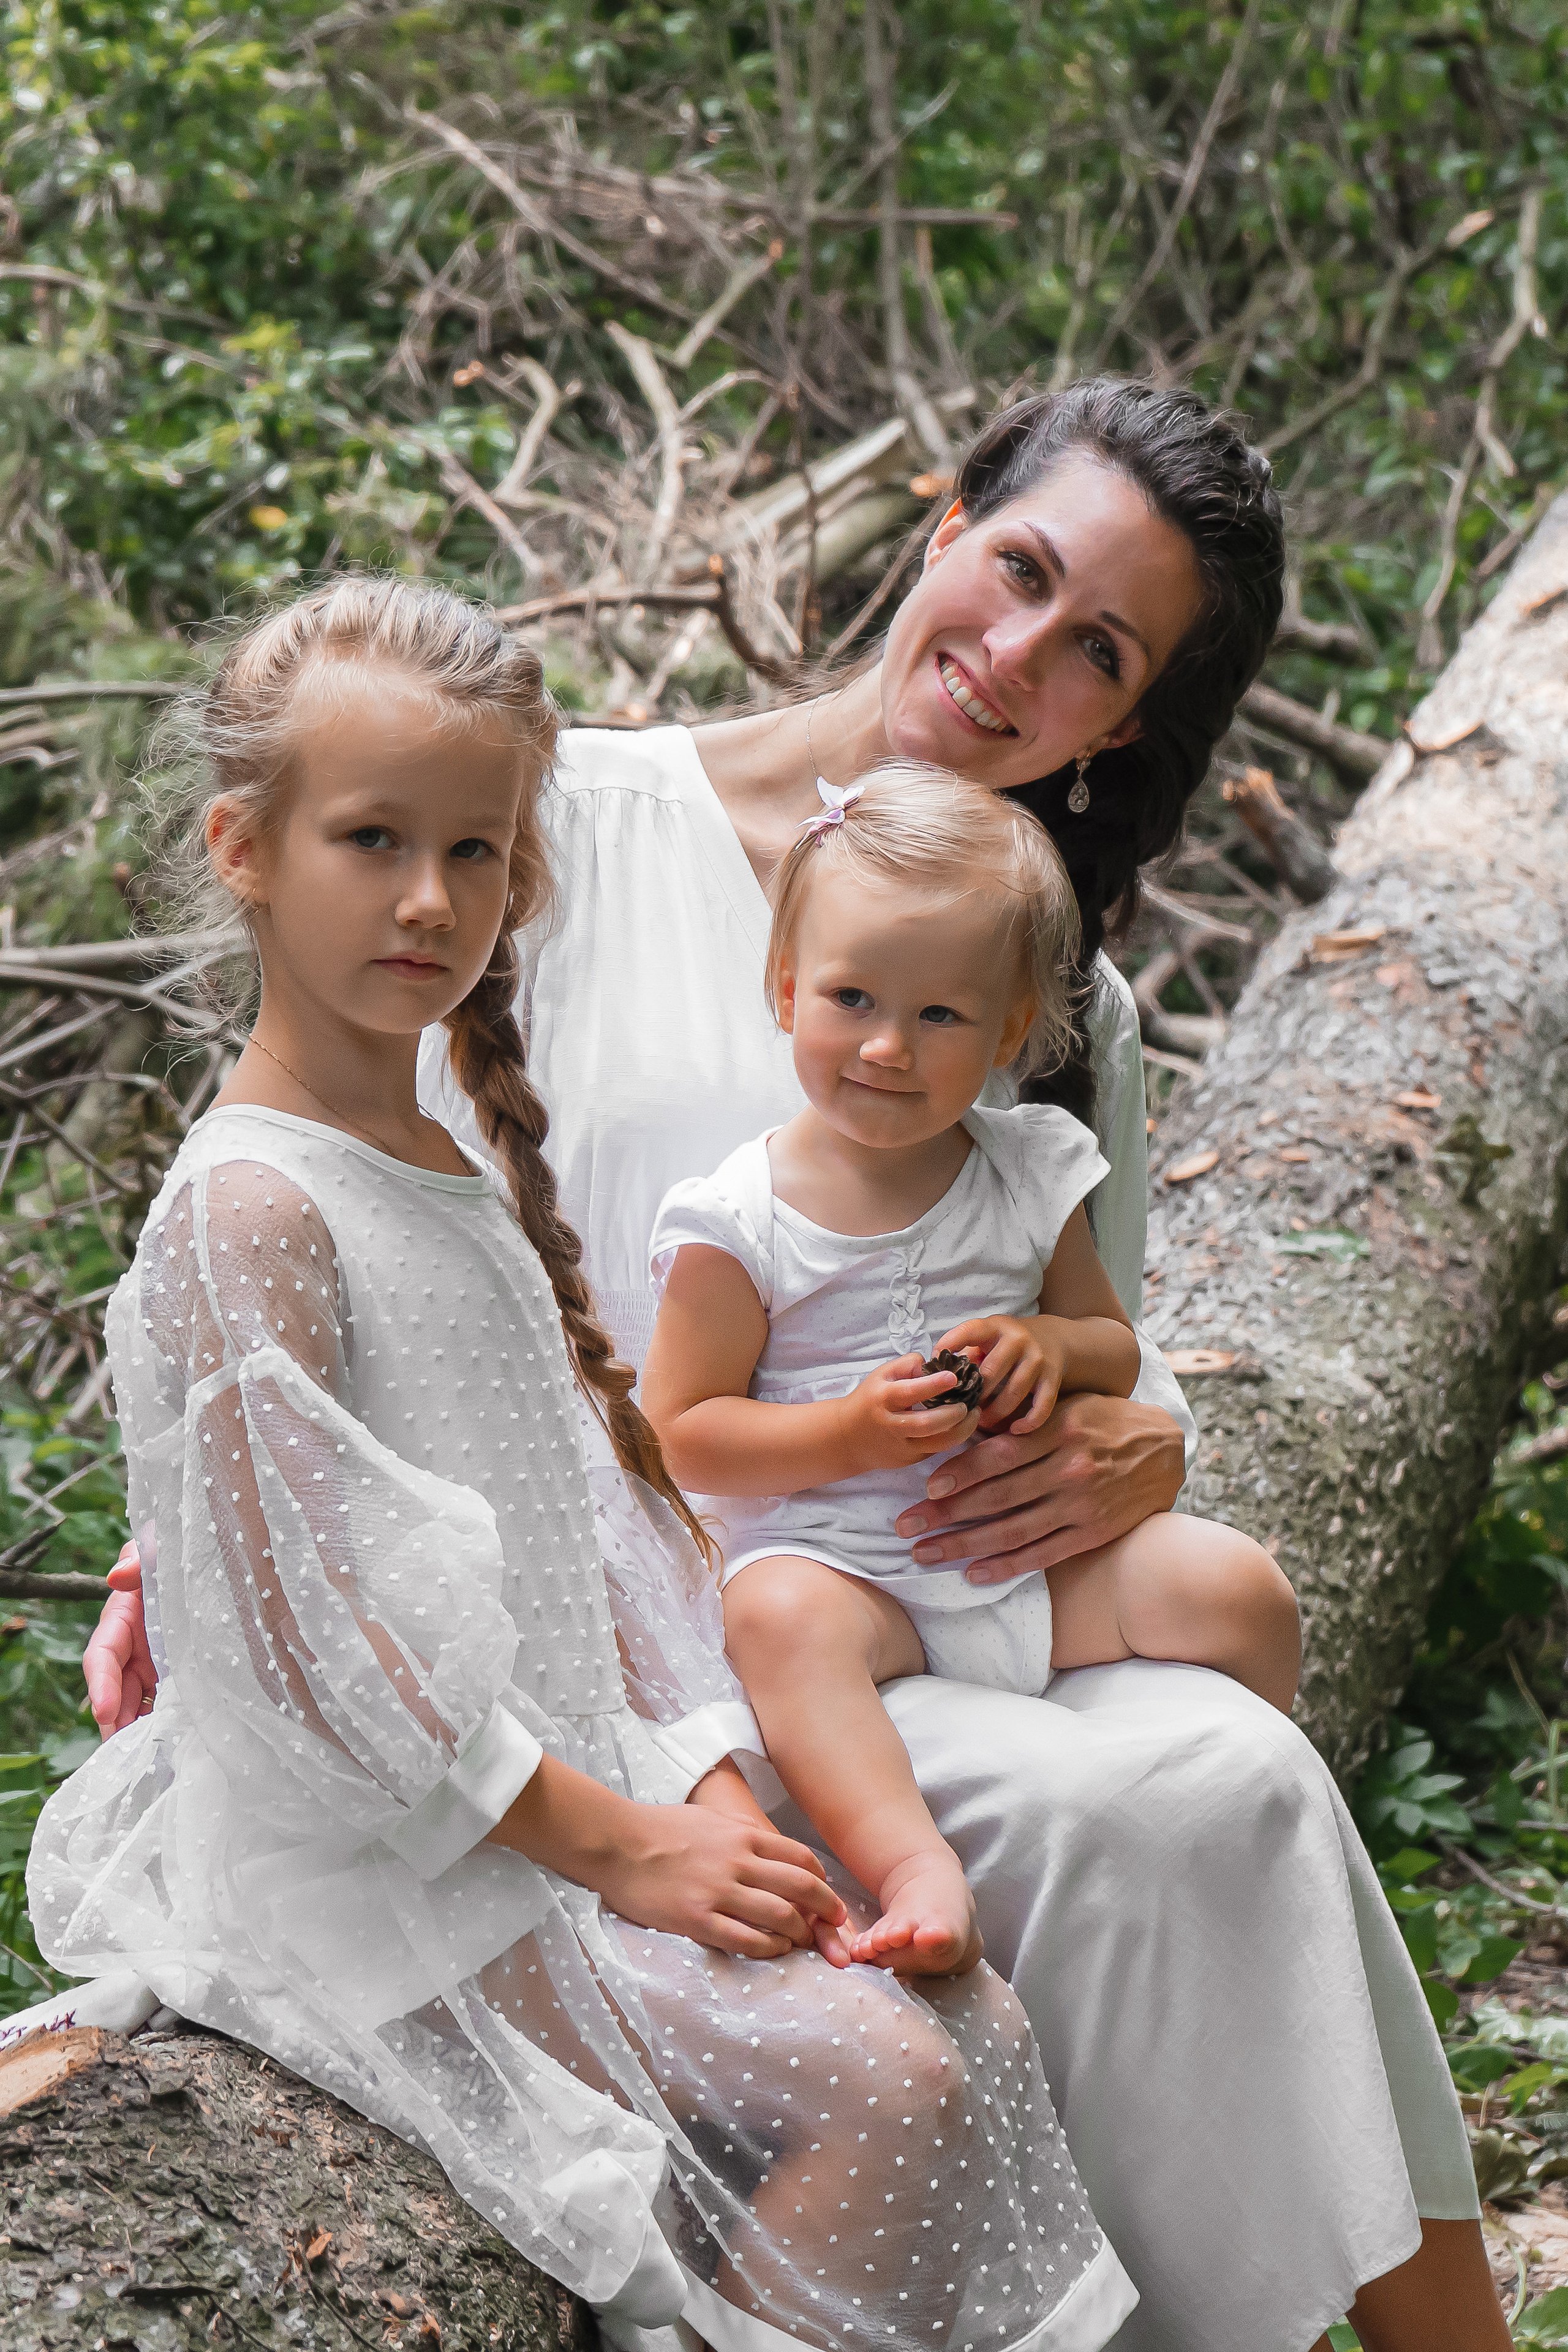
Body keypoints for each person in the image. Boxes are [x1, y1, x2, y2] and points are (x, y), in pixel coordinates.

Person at [84, 383, 1503, 2351]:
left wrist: (1127, 1457)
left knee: (1237, 1771)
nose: (1018, 659)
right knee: (1156, 1814)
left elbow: (1108, 1354)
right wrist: (187, 1544)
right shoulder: (549, 825)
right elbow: (310, 1205)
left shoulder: (1056, 990)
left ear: (1126, 721)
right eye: (1020, 571)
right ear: (939, 528)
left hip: (887, 1593)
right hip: (640, 1626)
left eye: (1099, 649)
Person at [26, 576, 1138, 2352]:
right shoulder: (257, 1207)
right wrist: (622, 1850)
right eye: (372, 839)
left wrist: (701, 1794)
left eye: (478, 852)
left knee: (972, 2026)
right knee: (889, 2084)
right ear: (243, 845)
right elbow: (315, 1673)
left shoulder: (439, 1165)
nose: (430, 900)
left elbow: (596, 1554)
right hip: (396, 1857)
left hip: (561, 1790)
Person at [642, 764, 1300, 1978]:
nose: (887, 1046)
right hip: (849, 1577)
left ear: (1004, 1033)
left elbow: (1110, 1345)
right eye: (851, 998)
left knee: (1238, 1586)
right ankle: (908, 1864)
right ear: (787, 990)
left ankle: (1245, 1848)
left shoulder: (1029, 1172)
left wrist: (1052, 1347)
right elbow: (678, 1432)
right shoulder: (739, 1220)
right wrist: (841, 1434)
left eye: (940, 1017)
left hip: (1029, 1566)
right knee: (769, 1616)